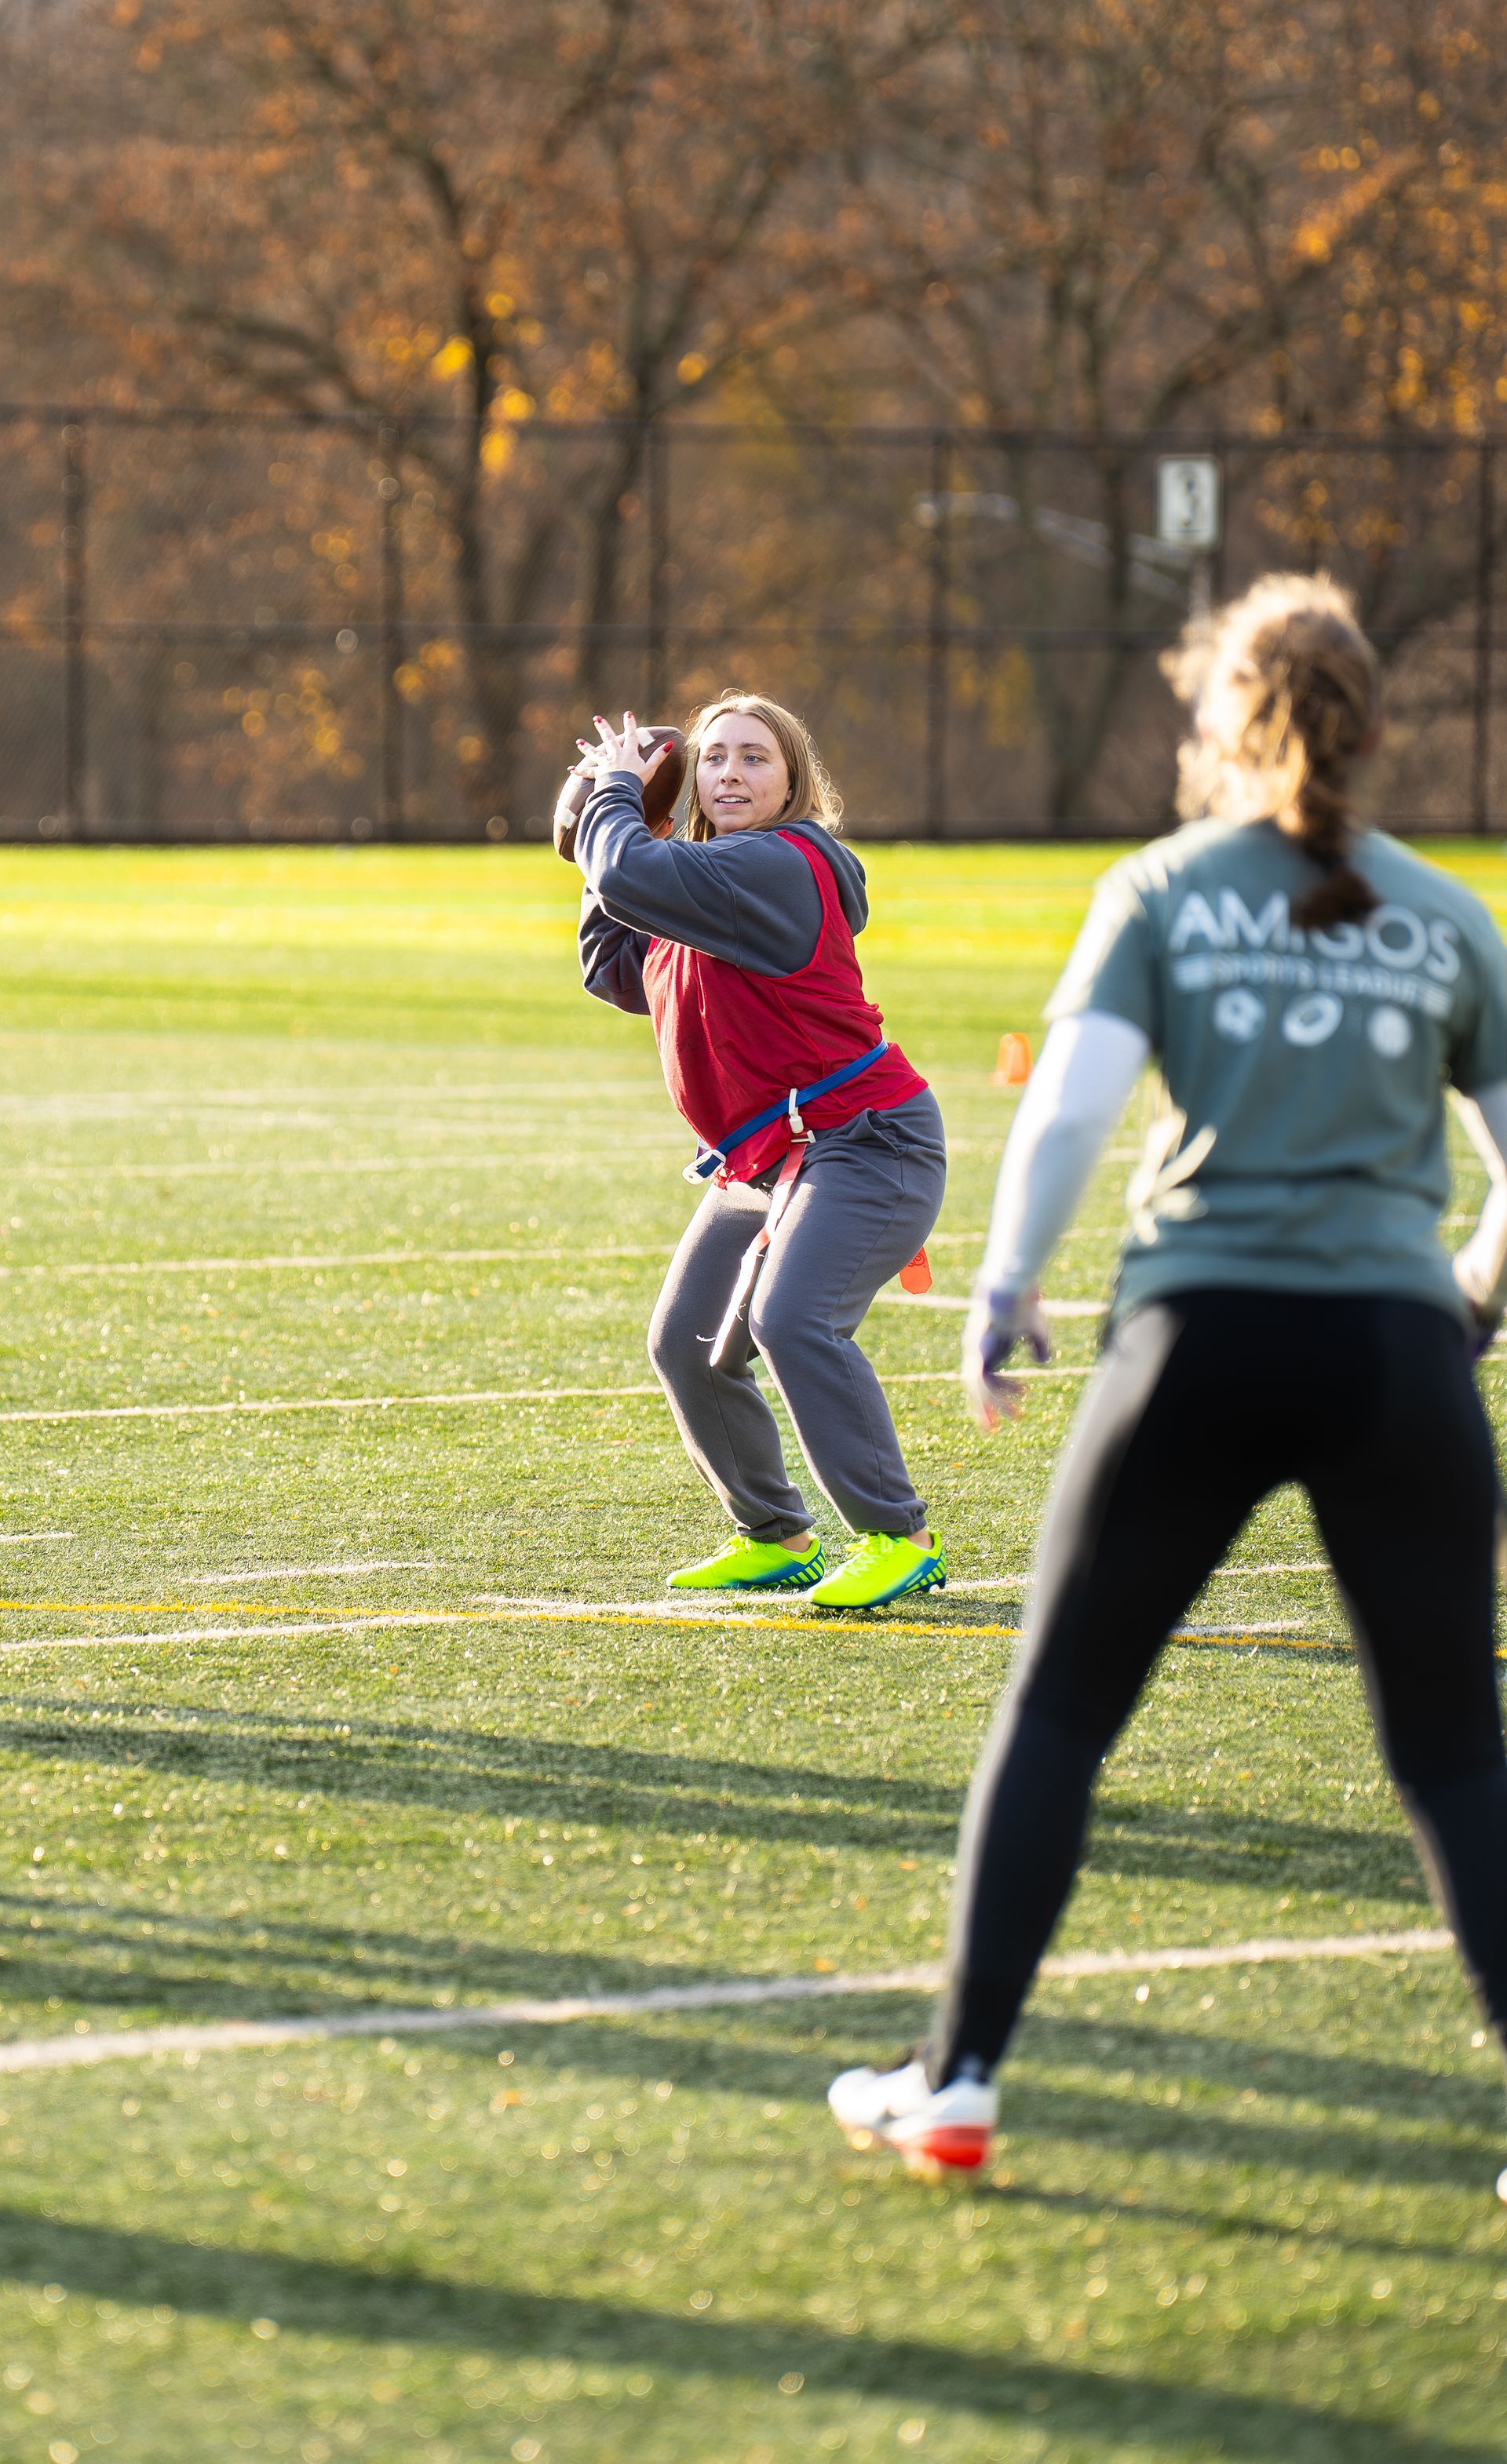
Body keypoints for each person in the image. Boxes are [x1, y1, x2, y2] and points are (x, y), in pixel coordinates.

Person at [827, 571, 1507, 2192]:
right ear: (1368, 724)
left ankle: (958, 2077)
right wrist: (1465, 1303)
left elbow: (1070, 1108)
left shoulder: (1162, 887)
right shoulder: (1453, 914)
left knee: (1062, 1708)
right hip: (1398, 1352)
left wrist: (1004, 1285)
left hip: (1200, 1332)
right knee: (1455, 1752)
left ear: (1221, 719)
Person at [569, 691, 947, 1610]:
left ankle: (900, 1537)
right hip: (774, 1162)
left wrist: (613, 799)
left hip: (869, 1142)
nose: (730, 773)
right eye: (713, 758)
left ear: (791, 782)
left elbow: (629, 873)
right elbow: (612, 965)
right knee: (687, 1342)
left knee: (790, 1318)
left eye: (754, 757)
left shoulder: (783, 863)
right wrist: (613, 830)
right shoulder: (704, 887)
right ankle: (776, 1535)